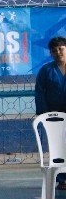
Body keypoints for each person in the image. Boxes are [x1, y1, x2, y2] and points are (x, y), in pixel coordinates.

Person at [35, 36, 66, 190]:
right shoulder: (46, 70)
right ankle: (62, 179)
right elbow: (40, 92)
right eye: (54, 50)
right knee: (58, 147)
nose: (58, 52)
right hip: (54, 116)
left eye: (61, 49)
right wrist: (43, 114)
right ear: (51, 53)